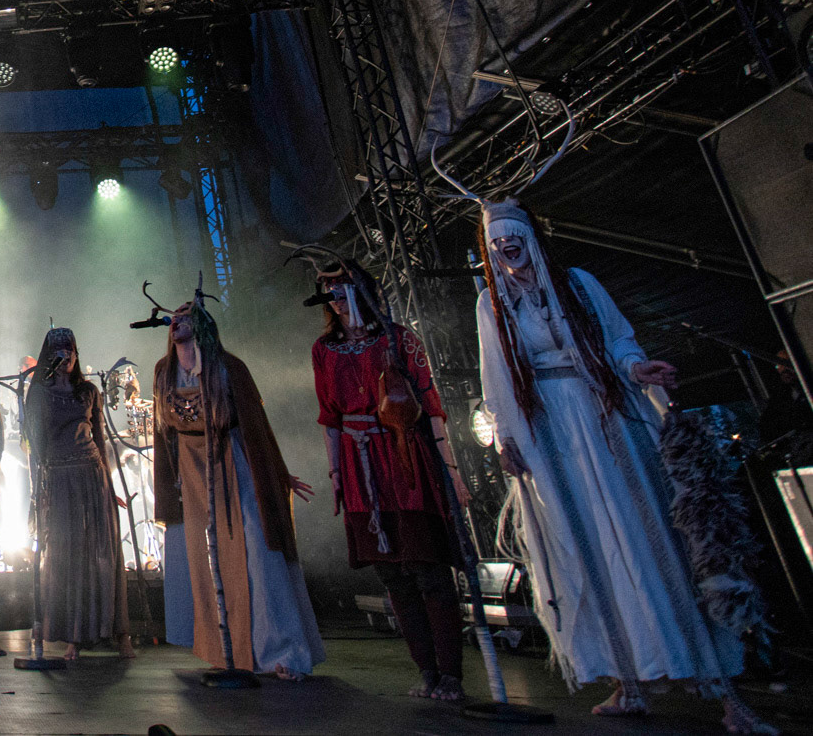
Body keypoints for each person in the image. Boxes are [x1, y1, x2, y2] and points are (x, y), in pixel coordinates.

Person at [475, 200, 772, 732]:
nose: (505, 248)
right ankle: (627, 682)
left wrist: (637, 368)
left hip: (604, 416)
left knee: (650, 535)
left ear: (530, 237)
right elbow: (494, 376)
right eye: (495, 243)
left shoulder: (579, 285)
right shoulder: (491, 306)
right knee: (586, 547)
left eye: (511, 236)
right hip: (551, 434)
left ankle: (721, 686)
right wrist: (504, 437)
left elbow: (617, 339)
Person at [307, 256, 468, 700]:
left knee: (427, 567)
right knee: (392, 574)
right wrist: (338, 472)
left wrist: (451, 472)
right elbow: (330, 418)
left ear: (360, 289)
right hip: (361, 469)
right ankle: (428, 673)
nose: (336, 300)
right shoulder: (324, 350)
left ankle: (451, 674)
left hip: (404, 458)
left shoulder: (399, 340)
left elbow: (431, 407)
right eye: (330, 292)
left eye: (343, 289)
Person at [154, 301, 321, 679]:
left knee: (256, 549)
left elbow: (256, 423)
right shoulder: (164, 372)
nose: (176, 324)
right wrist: (169, 485)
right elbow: (163, 432)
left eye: (185, 318)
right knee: (205, 560)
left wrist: (278, 472)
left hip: (233, 460)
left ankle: (279, 651)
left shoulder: (229, 367)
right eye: (174, 320)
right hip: (190, 469)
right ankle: (224, 650)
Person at [23, 326, 134, 661]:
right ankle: (72, 636)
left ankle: (119, 633)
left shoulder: (88, 391)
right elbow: (34, 448)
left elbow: (101, 439)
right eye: (59, 348)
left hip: (92, 475)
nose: (66, 354)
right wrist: (36, 492)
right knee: (64, 557)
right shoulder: (38, 394)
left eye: (70, 348)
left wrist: (110, 485)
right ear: (49, 353)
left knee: (102, 553)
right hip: (58, 479)